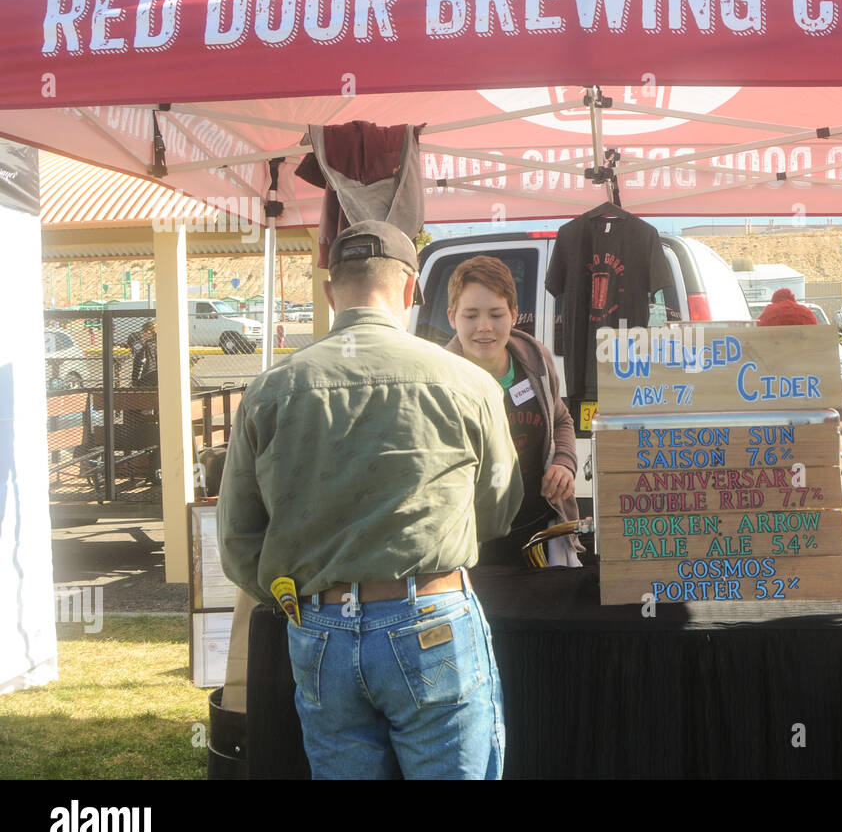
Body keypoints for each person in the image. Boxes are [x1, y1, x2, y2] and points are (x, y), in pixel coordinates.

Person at [217, 220, 522, 780]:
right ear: (411, 292)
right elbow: (499, 509)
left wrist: (304, 601)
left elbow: (238, 539)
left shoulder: (270, 389)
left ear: (331, 292)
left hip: (319, 628)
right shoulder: (469, 383)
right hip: (432, 617)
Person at [444, 255, 584, 567]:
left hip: (539, 534)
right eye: (471, 315)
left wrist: (564, 463)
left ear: (514, 314)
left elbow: (560, 418)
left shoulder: (535, 360)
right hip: (471, 548)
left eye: (496, 314)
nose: (484, 327)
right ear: (452, 317)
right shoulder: (440, 381)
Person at [756, 289, 842, 544]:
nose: (790, 355)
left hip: (835, 545)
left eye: (800, 343)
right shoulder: (744, 403)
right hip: (765, 545)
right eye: (778, 345)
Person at [131, 319, 157, 387]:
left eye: (142, 333)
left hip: (147, 378)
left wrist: (135, 382)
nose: (141, 335)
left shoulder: (146, 346)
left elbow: (139, 364)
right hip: (158, 377)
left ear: (148, 332)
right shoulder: (160, 344)